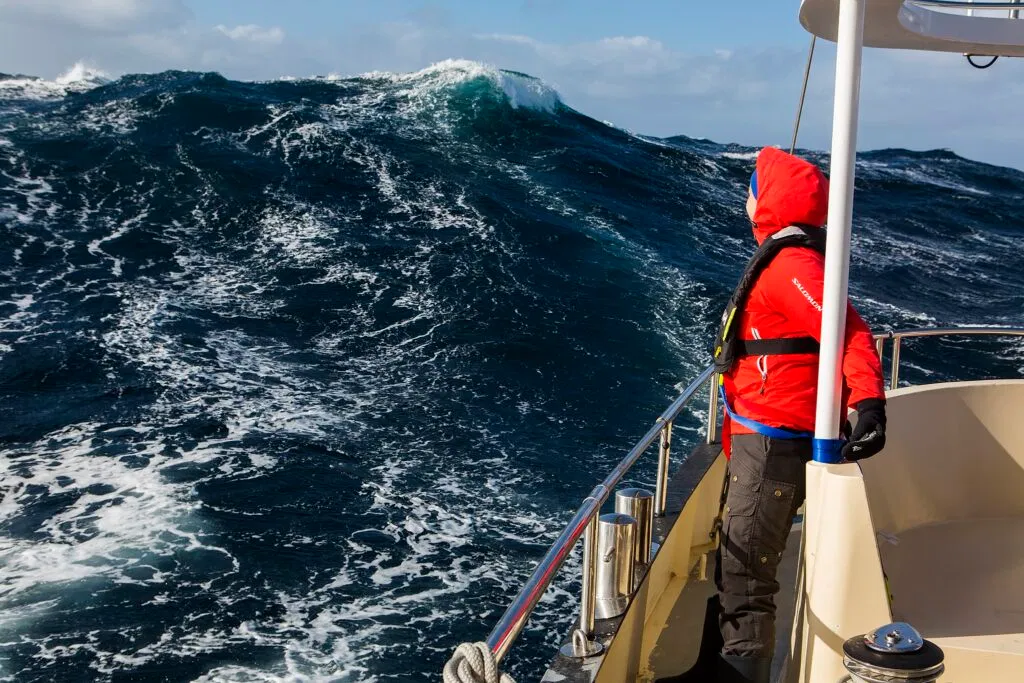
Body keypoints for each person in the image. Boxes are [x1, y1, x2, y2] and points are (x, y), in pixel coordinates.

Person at [662, 147, 887, 683]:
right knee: (735, 554)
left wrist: (868, 400)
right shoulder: (788, 256)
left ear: (768, 200)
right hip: (756, 431)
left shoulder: (790, 265)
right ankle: (711, 666)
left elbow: (849, 331)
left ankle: (742, 674)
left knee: (748, 569)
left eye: (753, 186)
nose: (746, 195)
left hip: (775, 440)